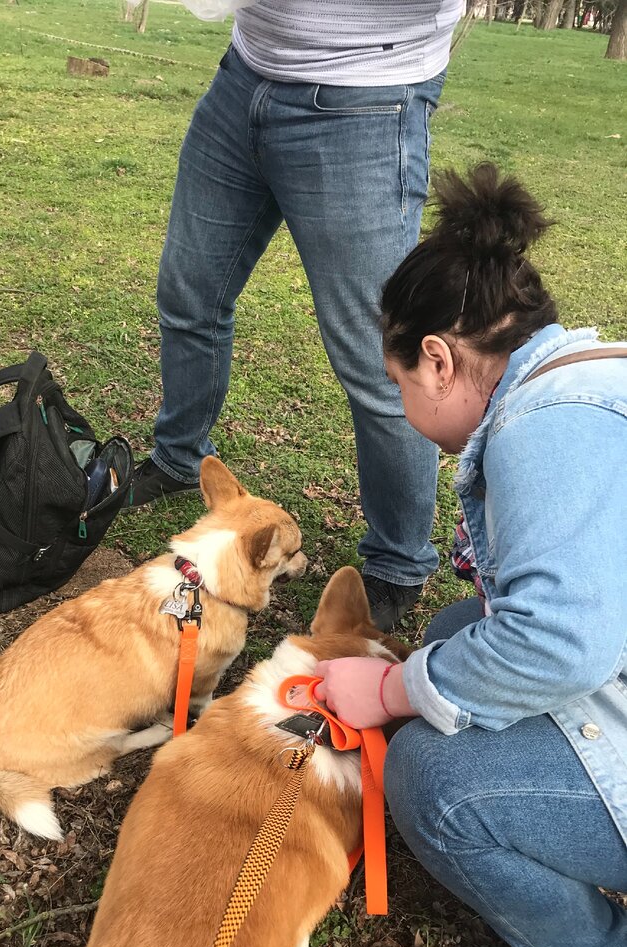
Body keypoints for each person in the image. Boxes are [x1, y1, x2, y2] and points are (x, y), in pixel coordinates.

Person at [313, 162, 627, 947]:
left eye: (399, 384)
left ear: (440, 360)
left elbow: (562, 644)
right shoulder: (586, 381)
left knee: (432, 783)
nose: (405, 406)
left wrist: (391, 692)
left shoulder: (542, 432)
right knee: (458, 632)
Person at [127, 1, 464, 631]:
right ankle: (178, 458)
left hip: (365, 96)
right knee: (189, 294)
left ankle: (396, 561)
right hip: (245, 75)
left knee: (381, 355)